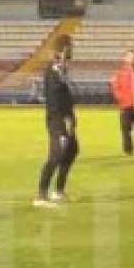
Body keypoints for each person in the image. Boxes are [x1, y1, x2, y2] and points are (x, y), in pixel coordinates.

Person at [34, 34, 79, 208]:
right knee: (56, 155)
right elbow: (55, 98)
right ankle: (41, 195)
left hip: (66, 117)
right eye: (69, 48)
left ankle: (59, 191)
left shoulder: (61, 70)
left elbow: (66, 96)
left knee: (72, 150)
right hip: (57, 119)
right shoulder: (52, 71)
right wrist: (65, 119)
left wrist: (72, 117)